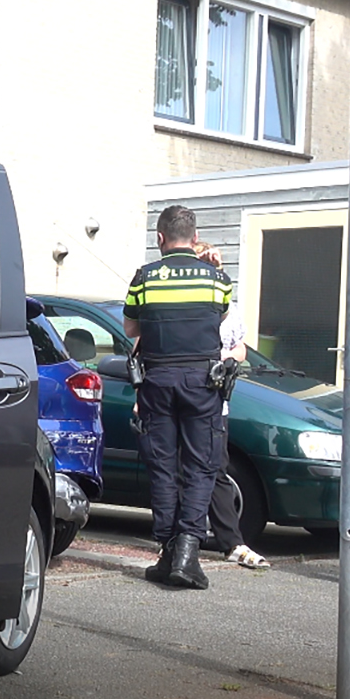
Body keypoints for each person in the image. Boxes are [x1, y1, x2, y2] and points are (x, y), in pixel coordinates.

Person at [126, 207, 234, 589]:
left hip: (157, 379)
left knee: (163, 467)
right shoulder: (217, 279)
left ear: (160, 238)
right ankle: (187, 553)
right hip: (202, 382)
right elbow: (220, 318)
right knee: (202, 466)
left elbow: (130, 326)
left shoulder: (145, 277)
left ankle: (169, 552)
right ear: (195, 235)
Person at [194, 242, 269, 571]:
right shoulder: (181, 301)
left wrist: (225, 358)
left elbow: (240, 349)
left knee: (216, 469)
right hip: (183, 398)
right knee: (182, 473)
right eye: (204, 264)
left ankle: (232, 543)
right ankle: (181, 542)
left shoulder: (223, 300)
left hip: (215, 401)